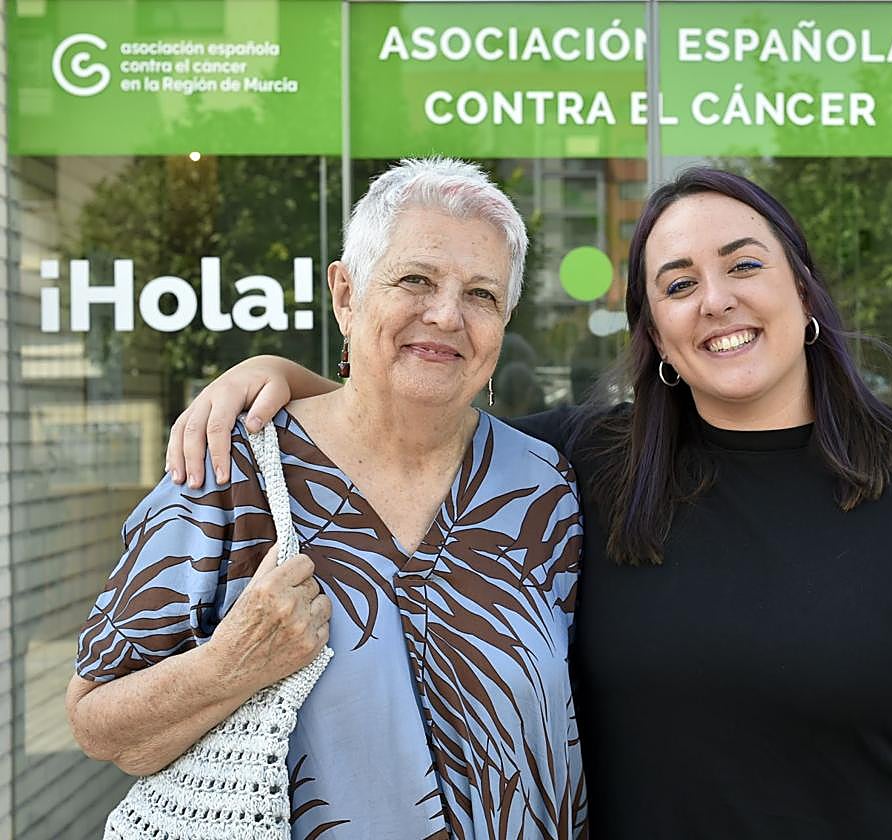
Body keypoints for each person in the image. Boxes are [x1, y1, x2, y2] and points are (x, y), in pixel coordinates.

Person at [166, 167, 892, 839]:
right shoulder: (588, 461)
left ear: (802, 290)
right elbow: (411, 407)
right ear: (656, 330)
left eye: (744, 265)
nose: (718, 300)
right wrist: (274, 377)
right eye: (677, 283)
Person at [67, 159, 588, 839]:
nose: (446, 315)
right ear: (346, 295)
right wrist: (229, 668)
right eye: (416, 280)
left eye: (481, 295)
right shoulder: (233, 469)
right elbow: (96, 722)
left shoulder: (543, 487)